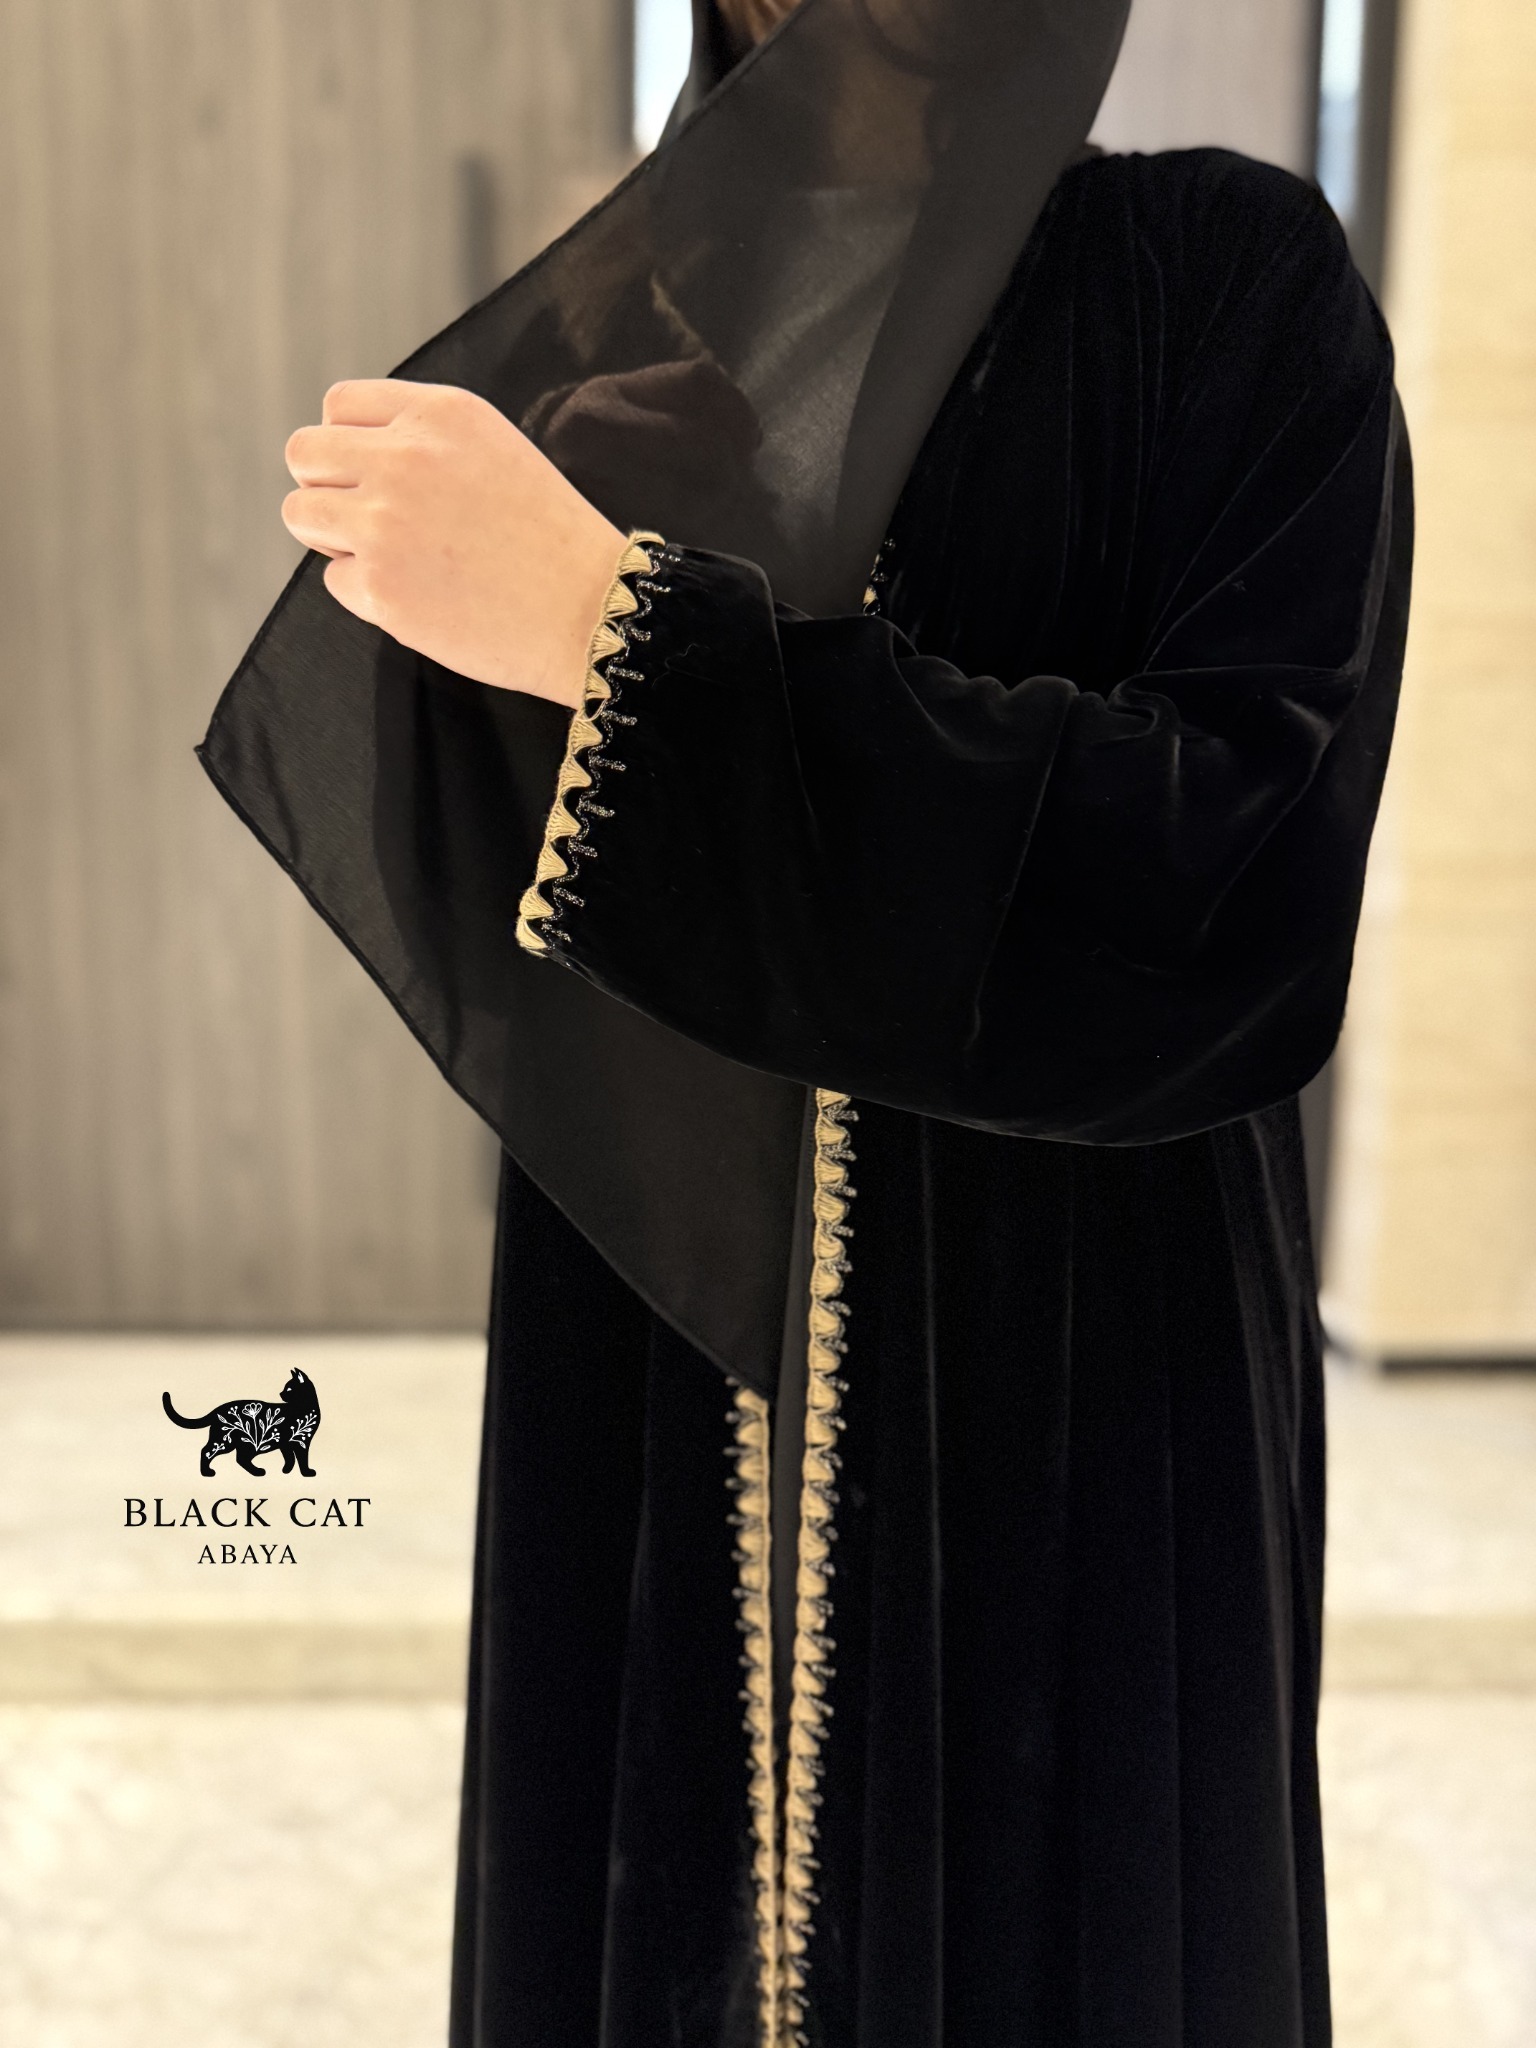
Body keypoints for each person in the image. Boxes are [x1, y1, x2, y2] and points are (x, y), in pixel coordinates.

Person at [214, 0, 1413, 2041]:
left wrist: (618, 635)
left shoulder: (1226, 284)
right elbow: (532, 957)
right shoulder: (624, 327)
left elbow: (1239, 896)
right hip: (668, 1367)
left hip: (1083, 1373)